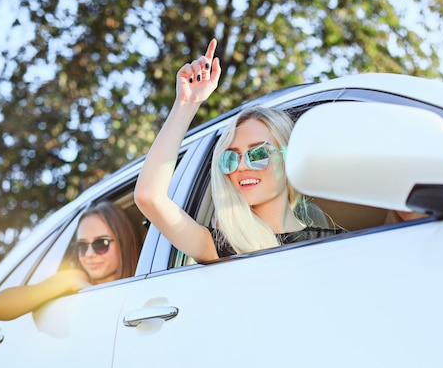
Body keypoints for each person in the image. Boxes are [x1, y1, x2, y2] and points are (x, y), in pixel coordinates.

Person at [134, 38, 344, 262]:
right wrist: (186, 104)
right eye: (231, 158)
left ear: (289, 159)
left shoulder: (337, 245)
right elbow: (149, 197)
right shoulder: (222, 247)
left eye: (259, 154)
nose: (242, 166)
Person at [0, 201, 140, 321]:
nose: (89, 254)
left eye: (101, 244)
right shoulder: (76, 278)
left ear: (123, 242)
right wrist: (67, 282)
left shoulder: (144, 279)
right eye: (82, 246)